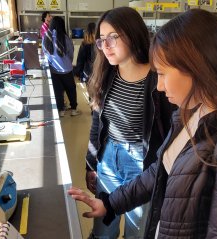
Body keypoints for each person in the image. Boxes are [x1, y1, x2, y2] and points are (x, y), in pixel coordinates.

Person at [69, 9, 217, 238]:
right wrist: (109, 204)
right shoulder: (194, 115)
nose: (159, 86)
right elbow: (159, 171)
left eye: (162, 73)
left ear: (196, 67)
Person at [83, 7, 173, 239]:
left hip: (142, 164)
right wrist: (91, 164)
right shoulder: (106, 75)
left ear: (132, 35)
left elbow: (170, 132)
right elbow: (98, 124)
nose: (106, 46)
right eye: (102, 40)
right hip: (109, 158)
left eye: (113, 37)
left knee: (137, 232)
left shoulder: (158, 81)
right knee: (103, 229)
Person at [43, 16, 81, 117]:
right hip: (67, 69)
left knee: (58, 91)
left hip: (54, 70)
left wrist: (52, 62)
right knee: (71, 89)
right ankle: (73, 109)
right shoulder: (65, 38)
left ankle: (61, 111)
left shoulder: (46, 37)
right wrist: (67, 62)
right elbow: (71, 53)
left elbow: (45, 53)